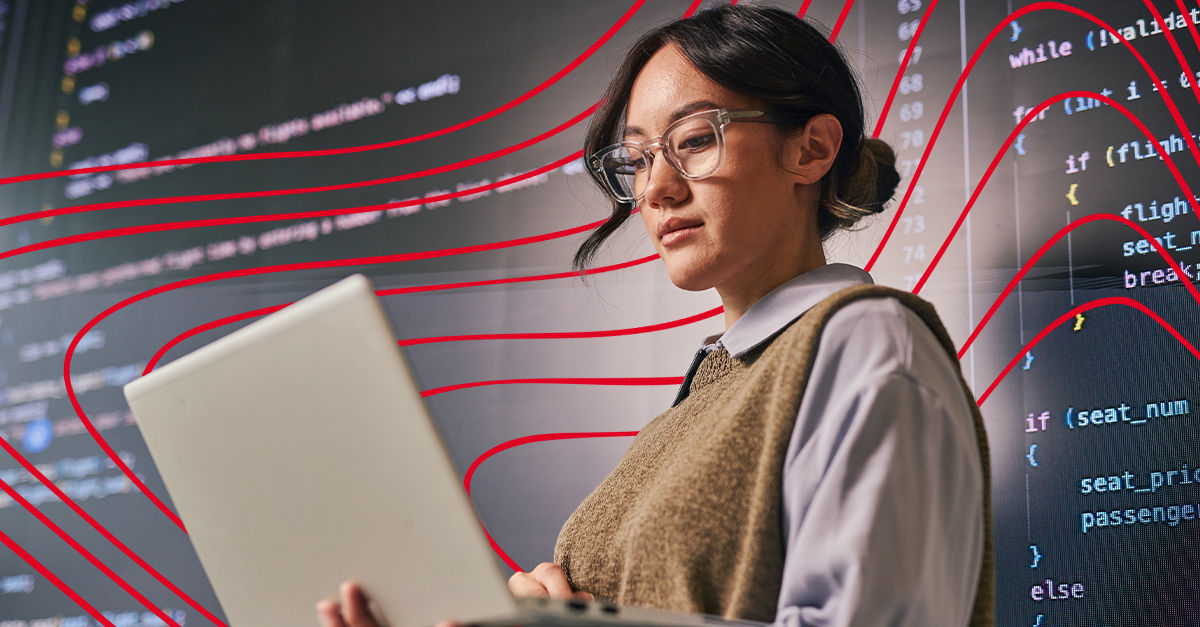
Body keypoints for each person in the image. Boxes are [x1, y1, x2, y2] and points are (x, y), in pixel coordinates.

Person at [317, 5, 992, 626]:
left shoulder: (867, 340)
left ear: (811, 149)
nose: (657, 189)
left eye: (695, 140)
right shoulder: (694, 406)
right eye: (636, 159)